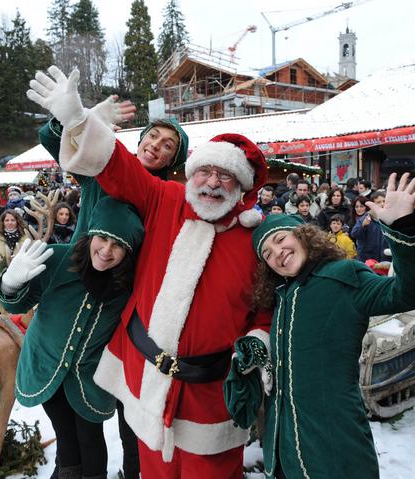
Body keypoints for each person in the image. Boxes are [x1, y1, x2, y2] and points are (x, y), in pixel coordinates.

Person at [28, 65, 272, 478]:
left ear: (242, 187)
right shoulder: (165, 199)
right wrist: (77, 120)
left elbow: (266, 308)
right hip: (144, 379)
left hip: (209, 396)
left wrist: (257, 342)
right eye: (207, 172)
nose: (213, 183)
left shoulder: (256, 238)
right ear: (192, 174)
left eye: (226, 176)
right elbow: (117, 166)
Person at [228, 173, 415, 479]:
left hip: (333, 447)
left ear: (301, 234)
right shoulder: (281, 296)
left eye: (279, 240)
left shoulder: (344, 275)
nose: (277, 254)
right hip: (283, 450)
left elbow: (410, 292)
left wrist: (402, 227)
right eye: (267, 255)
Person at [0, 197, 144, 479]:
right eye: (102, 238)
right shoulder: (60, 258)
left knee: (90, 441)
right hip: (46, 368)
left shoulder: (128, 282)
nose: (107, 250)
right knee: (66, 439)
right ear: (91, 234)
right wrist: (10, 284)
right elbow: (16, 305)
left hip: (88, 377)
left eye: (118, 246)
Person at [351, 196, 389, 263]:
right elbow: (354, 234)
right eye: (378, 202)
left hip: (386, 258)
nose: (382, 204)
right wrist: (363, 225)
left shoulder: (390, 218)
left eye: (384, 201)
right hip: (368, 259)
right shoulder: (367, 217)